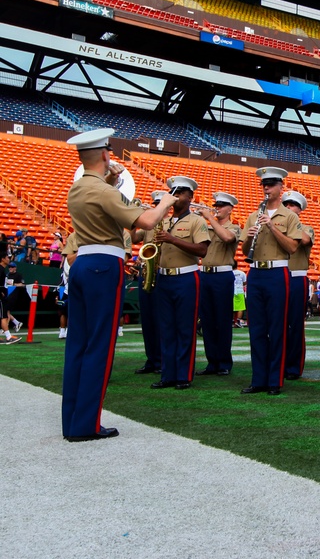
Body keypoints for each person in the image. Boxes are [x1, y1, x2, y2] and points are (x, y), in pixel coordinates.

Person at [62, 128, 176, 442]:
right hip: (103, 265)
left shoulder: (79, 188)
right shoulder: (103, 191)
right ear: (103, 153)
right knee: (100, 346)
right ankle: (86, 425)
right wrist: (167, 200)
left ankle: (72, 420)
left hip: (84, 263)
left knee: (78, 346)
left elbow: (101, 207)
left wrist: (111, 183)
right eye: (109, 151)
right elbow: (148, 221)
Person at [241, 167, 303, 396]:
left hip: (277, 273)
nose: (266, 188)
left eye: (271, 184)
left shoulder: (290, 217)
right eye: (264, 185)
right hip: (256, 272)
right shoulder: (252, 216)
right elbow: (245, 249)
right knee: (256, 328)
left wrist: (271, 226)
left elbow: (293, 247)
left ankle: (275, 380)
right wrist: (248, 238)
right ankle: (258, 379)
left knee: (277, 328)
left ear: (280, 188)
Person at [150, 176, 210, 390]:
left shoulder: (196, 221)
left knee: (185, 327)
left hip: (186, 276)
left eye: (180, 192)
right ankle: (168, 374)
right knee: (166, 328)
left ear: (190, 197)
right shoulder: (163, 220)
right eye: (172, 192)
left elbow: (202, 250)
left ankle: (183, 375)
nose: (175, 196)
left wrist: (172, 239)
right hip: (164, 277)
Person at [195, 191, 241, 377]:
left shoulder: (234, 227)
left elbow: (228, 238)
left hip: (222, 276)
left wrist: (209, 219)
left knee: (222, 320)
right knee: (207, 321)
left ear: (230, 209)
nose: (216, 209)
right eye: (216, 206)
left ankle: (224, 362)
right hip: (205, 275)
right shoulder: (207, 228)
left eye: (221, 206)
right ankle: (212, 362)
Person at [132, 190, 166, 374]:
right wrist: (133, 217)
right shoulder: (148, 225)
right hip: (146, 273)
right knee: (147, 320)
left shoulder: (169, 224)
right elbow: (131, 239)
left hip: (163, 273)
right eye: (155, 204)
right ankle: (152, 359)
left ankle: (162, 359)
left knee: (160, 320)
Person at [281, 190, 313, 381]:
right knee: (278, 323)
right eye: (286, 205)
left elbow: (306, 240)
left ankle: (293, 366)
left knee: (295, 324)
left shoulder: (305, 227)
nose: (288, 208)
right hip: (278, 277)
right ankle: (279, 362)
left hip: (296, 278)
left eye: (292, 205)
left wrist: (288, 222)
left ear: (299, 210)